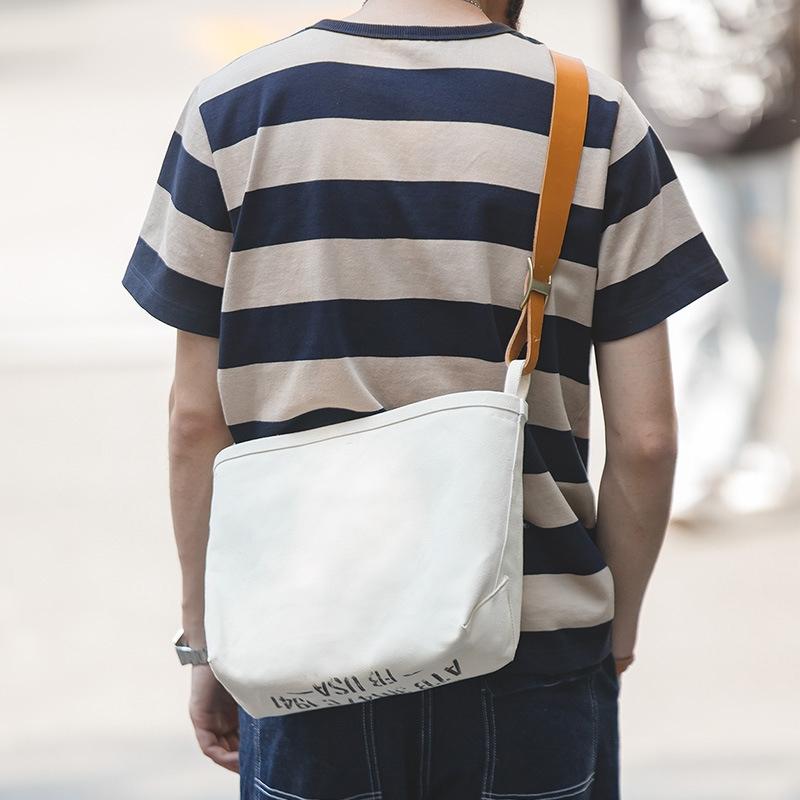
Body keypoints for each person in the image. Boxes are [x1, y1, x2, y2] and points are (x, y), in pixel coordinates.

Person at [121, 0, 728, 797]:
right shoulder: (595, 116)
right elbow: (648, 441)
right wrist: (613, 631)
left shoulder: (232, 108)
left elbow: (195, 421)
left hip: (305, 633)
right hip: (531, 646)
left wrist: (206, 641)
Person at [616, 0, 799, 522]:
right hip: (679, 134)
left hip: (767, 132)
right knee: (697, 304)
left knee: (760, 304)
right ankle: (693, 458)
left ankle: (748, 449)